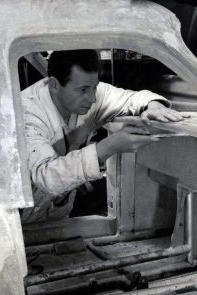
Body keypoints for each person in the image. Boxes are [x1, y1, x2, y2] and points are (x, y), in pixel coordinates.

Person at [20, 50, 183, 223]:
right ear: (54, 84)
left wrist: (154, 106)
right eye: (83, 90)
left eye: (94, 87)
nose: (92, 98)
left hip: (55, 214)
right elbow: (46, 177)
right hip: (19, 217)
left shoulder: (91, 90)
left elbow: (131, 98)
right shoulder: (25, 112)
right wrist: (108, 147)